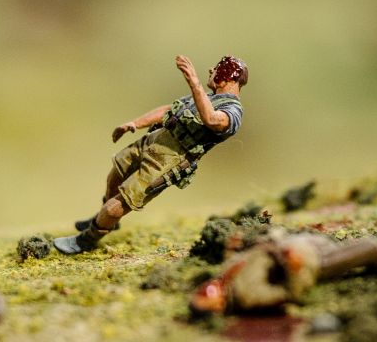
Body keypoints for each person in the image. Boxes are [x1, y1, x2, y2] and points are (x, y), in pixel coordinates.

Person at [54, 54, 248, 254]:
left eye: (217, 68)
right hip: (154, 140)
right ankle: (105, 219)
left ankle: (88, 239)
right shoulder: (207, 97)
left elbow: (213, 120)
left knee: (122, 202)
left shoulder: (232, 110)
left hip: (170, 158)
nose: (211, 70)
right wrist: (134, 123)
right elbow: (168, 110)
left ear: (228, 77)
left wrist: (195, 83)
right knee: (116, 173)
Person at [188, 230, 377, 317]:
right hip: (310, 263)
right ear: (217, 306)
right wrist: (294, 268)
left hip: (288, 245)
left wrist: (233, 247)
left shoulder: (224, 276)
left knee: (324, 241)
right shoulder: (248, 296)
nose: (208, 288)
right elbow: (290, 294)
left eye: (203, 290)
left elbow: (240, 260)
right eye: (208, 295)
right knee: (369, 247)